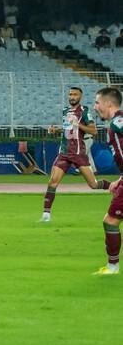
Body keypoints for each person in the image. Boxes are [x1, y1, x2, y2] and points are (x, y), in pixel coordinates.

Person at [42, 86, 110, 222]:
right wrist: (57, 131)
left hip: (78, 153)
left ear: (80, 97)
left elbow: (93, 131)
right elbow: (69, 130)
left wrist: (78, 125)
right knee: (52, 182)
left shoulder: (85, 112)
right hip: (64, 152)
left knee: (94, 185)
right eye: (70, 94)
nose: (72, 97)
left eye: (75, 95)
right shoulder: (65, 111)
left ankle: (116, 187)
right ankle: (46, 215)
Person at [90, 87, 123, 275]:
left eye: (97, 102)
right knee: (110, 221)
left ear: (108, 103)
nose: (95, 107)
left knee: (110, 221)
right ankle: (112, 266)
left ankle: (112, 267)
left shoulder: (118, 121)